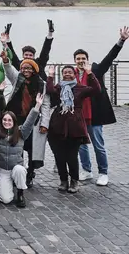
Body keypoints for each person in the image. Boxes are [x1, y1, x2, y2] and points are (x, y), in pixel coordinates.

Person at [75, 26, 129, 186]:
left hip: (95, 115)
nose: (80, 61)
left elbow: (109, 57)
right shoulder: (71, 73)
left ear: (87, 59)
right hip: (79, 116)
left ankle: (103, 172)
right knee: (81, 145)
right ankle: (86, 170)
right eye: (78, 59)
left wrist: (121, 41)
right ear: (75, 60)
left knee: (98, 145)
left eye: (83, 58)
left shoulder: (96, 70)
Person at [46, 64, 101, 193]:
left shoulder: (80, 88)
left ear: (74, 74)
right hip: (58, 125)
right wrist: (50, 76)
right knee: (59, 156)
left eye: (70, 72)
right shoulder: (59, 87)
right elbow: (49, 90)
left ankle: (74, 181)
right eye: (65, 72)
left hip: (74, 126)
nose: (67, 74)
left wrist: (90, 74)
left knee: (71, 156)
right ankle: (63, 180)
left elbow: (96, 90)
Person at [3, 55, 50, 188]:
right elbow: (9, 71)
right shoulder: (18, 79)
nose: (26, 70)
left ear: (34, 69)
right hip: (16, 118)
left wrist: (44, 124)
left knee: (31, 148)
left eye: (29, 68)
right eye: (23, 68)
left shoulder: (42, 84)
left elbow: (45, 105)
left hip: (33, 119)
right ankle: (19, 172)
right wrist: (6, 61)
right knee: (18, 147)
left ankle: (30, 173)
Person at [0, 92, 44, 207]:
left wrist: (37, 107)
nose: (7, 122)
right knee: (6, 199)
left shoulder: (21, 133)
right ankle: (1, 184)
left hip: (16, 168)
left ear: (14, 122)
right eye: (4, 120)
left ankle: (20, 193)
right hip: (3, 170)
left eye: (9, 120)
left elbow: (29, 123)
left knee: (20, 170)